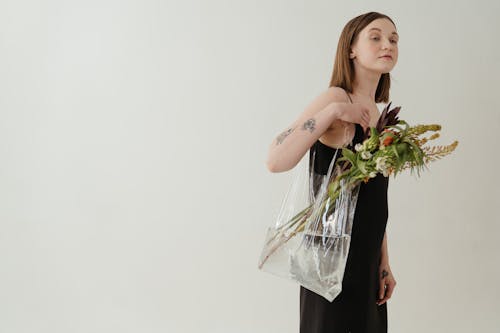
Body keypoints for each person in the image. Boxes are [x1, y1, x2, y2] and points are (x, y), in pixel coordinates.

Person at [266, 12, 398, 332]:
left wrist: (384, 262)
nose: (388, 45)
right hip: (330, 257)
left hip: (365, 258)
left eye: (393, 39)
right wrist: (335, 112)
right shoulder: (337, 98)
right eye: (376, 37)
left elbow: (374, 194)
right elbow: (276, 159)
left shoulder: (380, 114)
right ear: (351, 48)